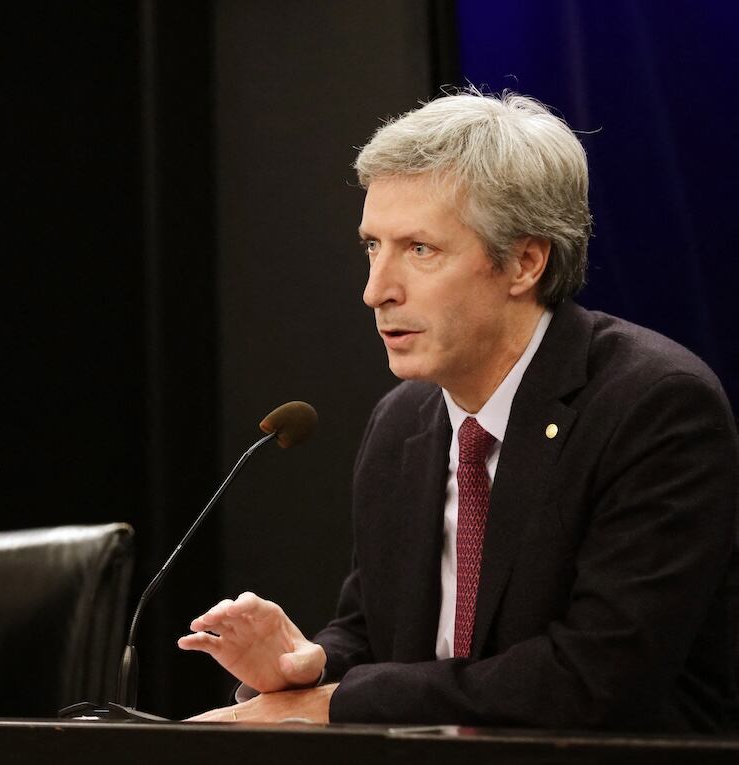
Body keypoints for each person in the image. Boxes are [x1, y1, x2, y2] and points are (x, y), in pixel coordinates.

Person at [179, 90, 738, 732]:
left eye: (420, 249)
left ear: (525, 262)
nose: (375, 290)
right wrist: (307, 663)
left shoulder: (653, 406)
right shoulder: (402, 424)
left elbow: (595, 677)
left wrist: (332, 701)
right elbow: (375, 636)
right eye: (372, 246)